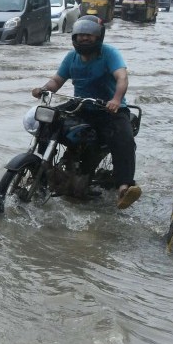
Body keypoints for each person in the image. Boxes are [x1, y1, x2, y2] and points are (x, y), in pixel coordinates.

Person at [30, 16, 142, 209]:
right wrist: (43, 89)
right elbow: (57, 80)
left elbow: (122, 78)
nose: (84, 38)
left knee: (124, 139)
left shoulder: (109, 53)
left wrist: (116, 100)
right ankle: (43, 166)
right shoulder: (71, 57)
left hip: (109, 110)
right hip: (81, 106)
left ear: (99, 37)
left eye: (89, 35)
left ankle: (124, 187)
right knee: (47, 119)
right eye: (80, 35)